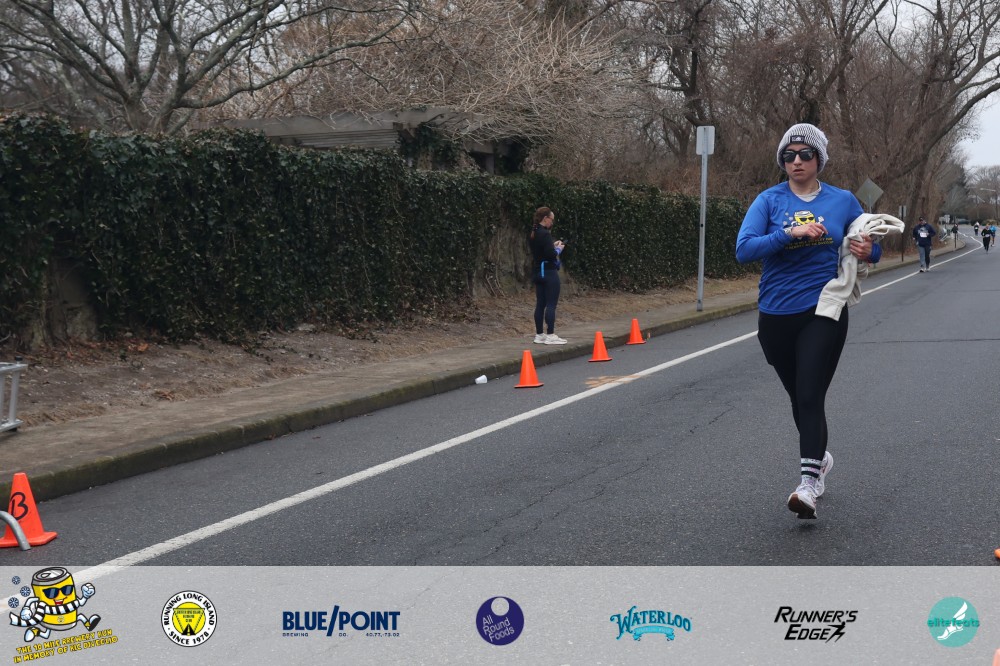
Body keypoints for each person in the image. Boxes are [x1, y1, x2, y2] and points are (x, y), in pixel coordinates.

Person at [736, 122, 881, 520]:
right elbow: (744, 250)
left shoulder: (843, 201)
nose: (796, 161)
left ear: (820, 159)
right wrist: (790, 233)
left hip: (824, 309)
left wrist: (868, 250)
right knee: (798, 398)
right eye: (788, 155)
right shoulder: (769, 200)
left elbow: (872, 245)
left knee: (809, 394)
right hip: (775, 315)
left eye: (805, 154)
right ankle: (820, 460)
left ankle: (807, 485)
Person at [529, 207, 567, 344]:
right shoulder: (545, 234)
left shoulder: (534, 233)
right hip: (549, 272)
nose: (552, 222)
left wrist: (552, 245)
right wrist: (558, 249)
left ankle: (539, 334)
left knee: (540, 304)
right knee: (551, 304)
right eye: (552, 219)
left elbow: (542, 250)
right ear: (545, 218)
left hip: (538, 271)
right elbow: (551, 254)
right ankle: (550, 334)